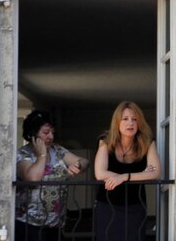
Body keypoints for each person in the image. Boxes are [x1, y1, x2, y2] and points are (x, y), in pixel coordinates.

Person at [15, 109, 89, 241]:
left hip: (55, 224)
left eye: (52, 133)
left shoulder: (58, 150)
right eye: (45, 133)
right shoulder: (22, 155)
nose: (51, 137)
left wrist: (78, 165)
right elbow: (33, 178)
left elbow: (85, 161)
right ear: (32, 133)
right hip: (29, 225)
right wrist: (42, 155)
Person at [93, 101, 160, 241]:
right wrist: (141, 175)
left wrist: (124, 177)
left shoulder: (147, 142)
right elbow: (100, 173)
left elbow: (155, 173)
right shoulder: (105, 141)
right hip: (107, 205)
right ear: (117, 122)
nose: (130, 123)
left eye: (135, 119)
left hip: (135, 206)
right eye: (125, 119)